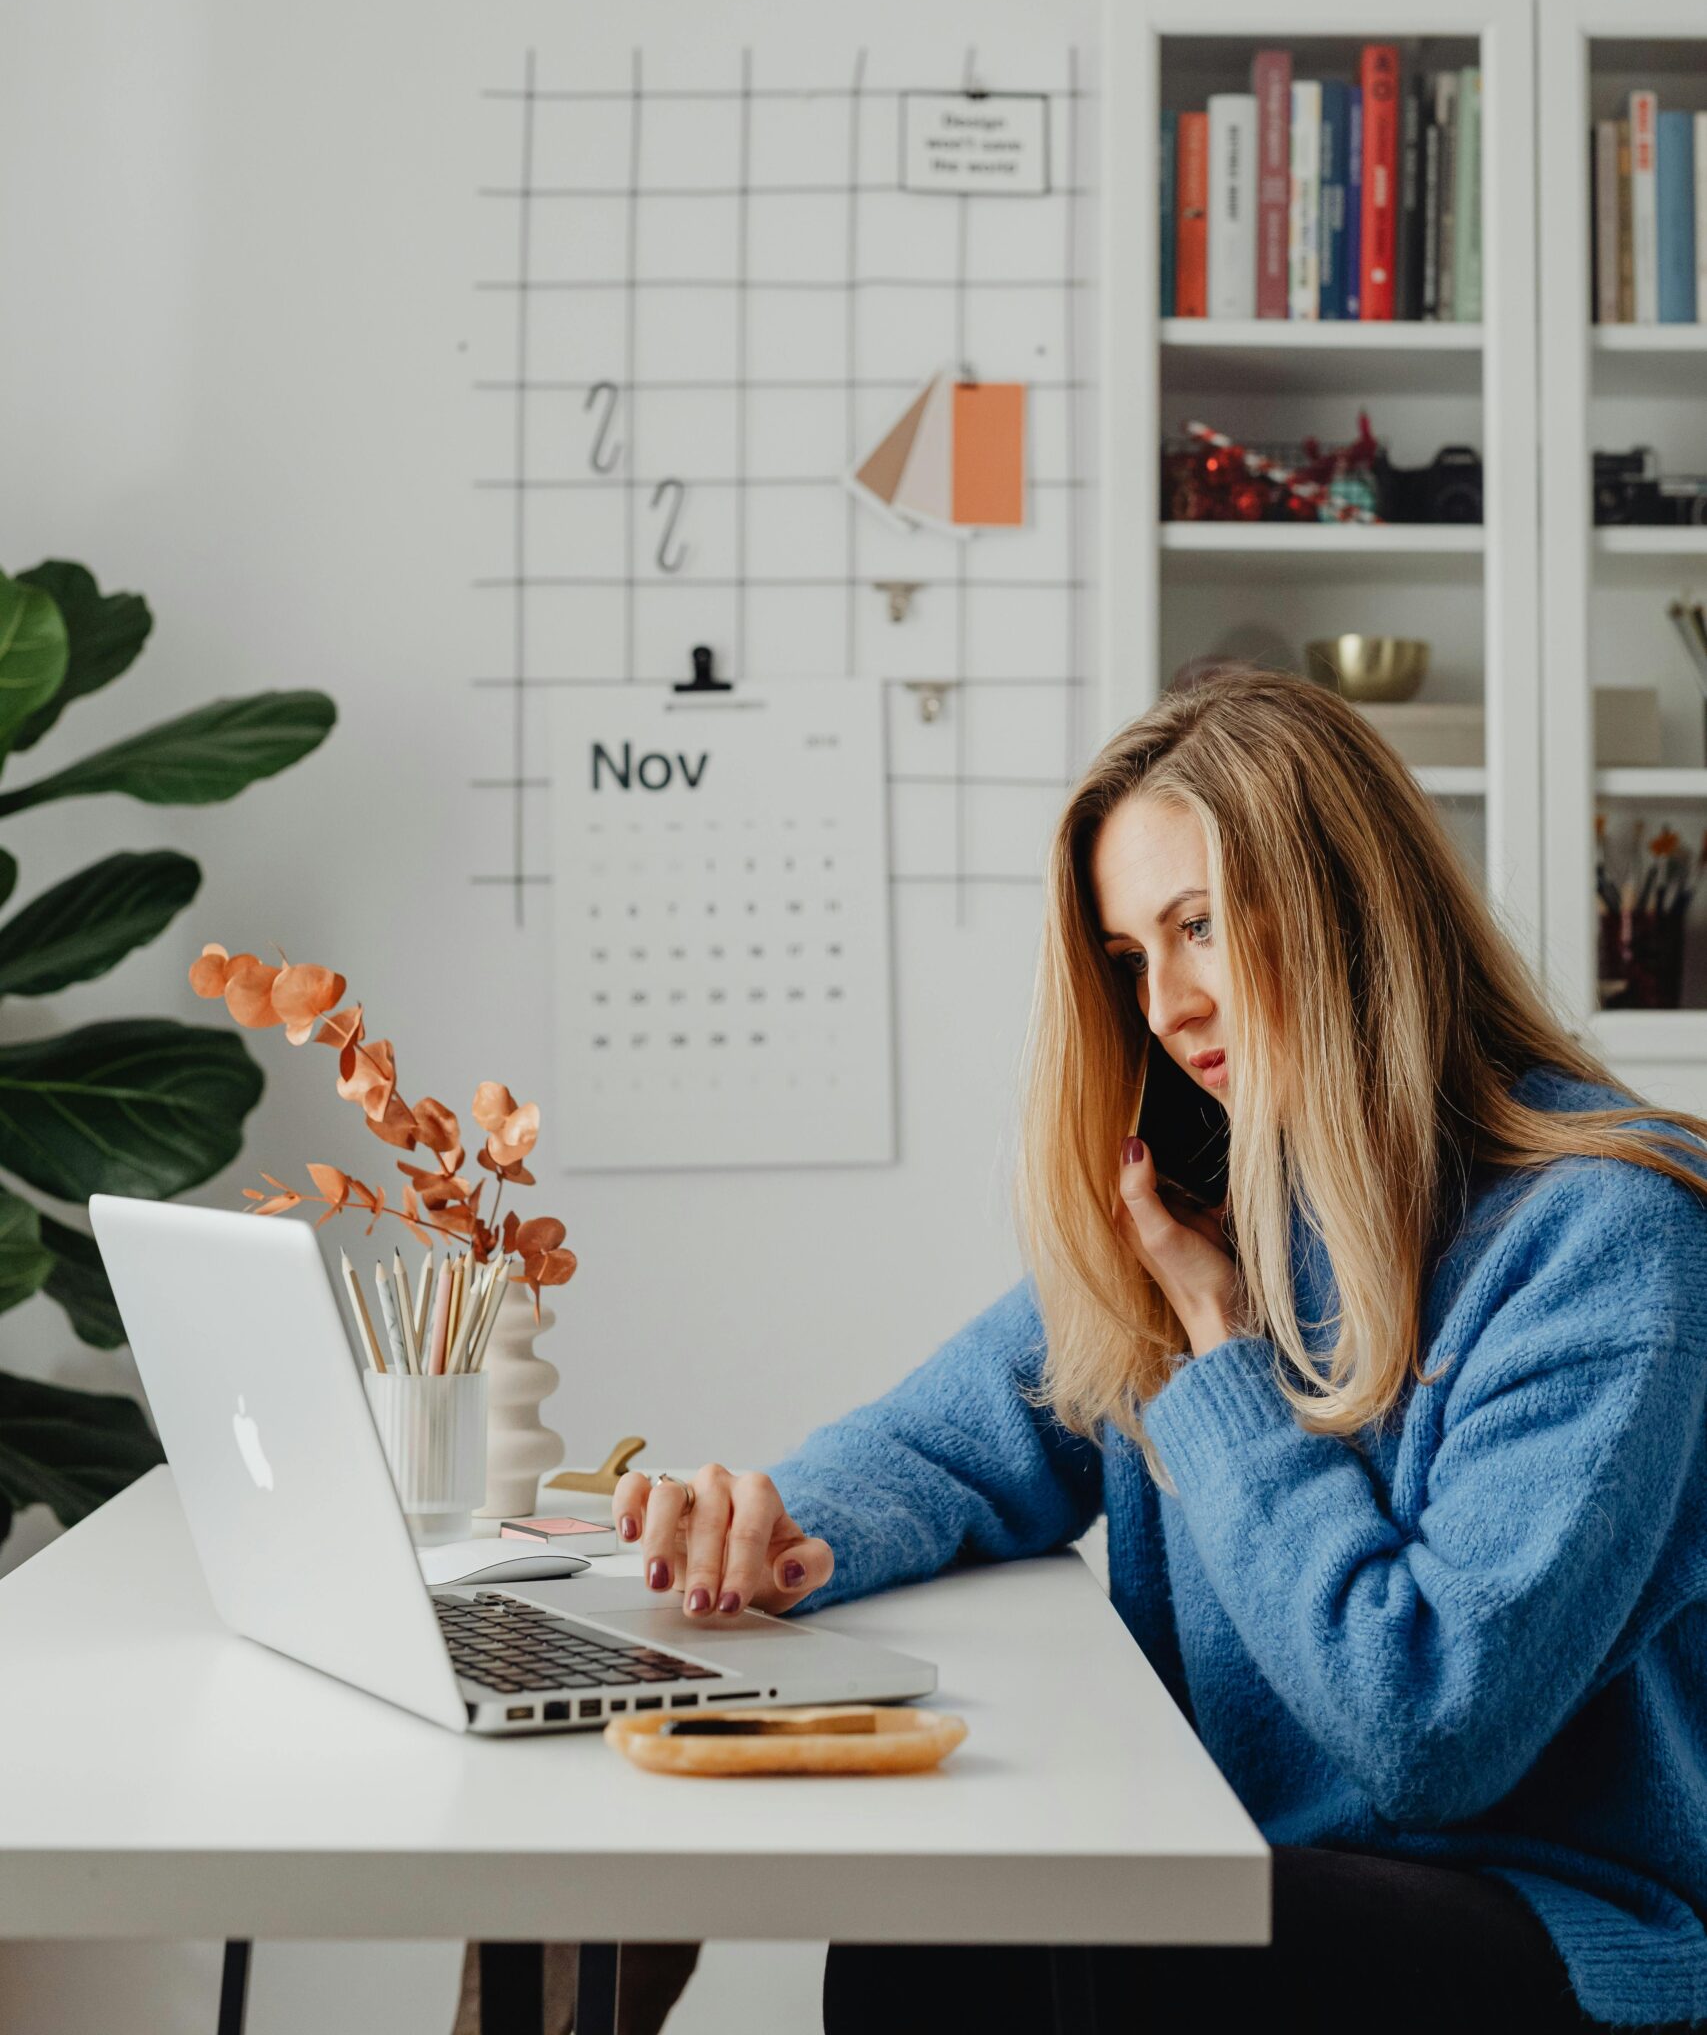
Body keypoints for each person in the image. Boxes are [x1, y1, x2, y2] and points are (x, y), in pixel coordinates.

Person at [612, 669, 1707, 2034]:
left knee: (966, 1953)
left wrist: (1217, 1356)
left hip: (1538, 1911)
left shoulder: (1609, 1235)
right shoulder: (1228, 1201)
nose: (1168, 1007)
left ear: (1350, 906)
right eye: (1132, 959)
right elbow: (956, 1439)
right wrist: (765, 1527)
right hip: (1243, 1862)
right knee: (922, 1933)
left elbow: (1429, 1725)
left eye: (1198, 928)